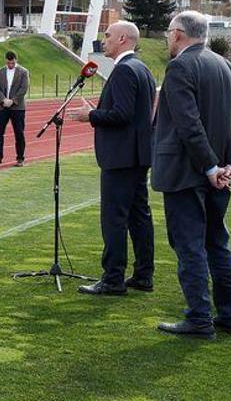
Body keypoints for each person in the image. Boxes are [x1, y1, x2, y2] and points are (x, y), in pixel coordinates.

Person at [151, 10, 231, 338]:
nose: (166, 38)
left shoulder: (180, 67)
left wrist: (210, 167)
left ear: (177, 34)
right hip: (218, 175)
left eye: (168, 32)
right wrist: (230, 164)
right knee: (218, 243)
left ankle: (199, 318)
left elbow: (189, 125)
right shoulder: (227, 67)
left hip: (189, 174)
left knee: (190, 246)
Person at [68, 21, 157, 296]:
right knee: (139, 215)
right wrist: (97, 111)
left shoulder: (124, 71)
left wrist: (91, 115)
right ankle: (143, 274)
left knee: (115, 218)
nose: (103, 40)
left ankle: (113, 278)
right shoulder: (142, 69)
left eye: (107, 35)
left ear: (122, 39)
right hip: (137, 156)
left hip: (121, 157)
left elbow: (122, 115)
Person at [0, 51, 29, 167]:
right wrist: (3, 100)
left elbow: (23, 88)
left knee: (19, 133)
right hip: (2, 106)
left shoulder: (23, 72)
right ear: (5, 61)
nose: (10, 65)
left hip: (17, 107)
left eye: (12, 63)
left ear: (16, 60)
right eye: (8, 63)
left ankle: (20, 158)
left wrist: (13, 100)